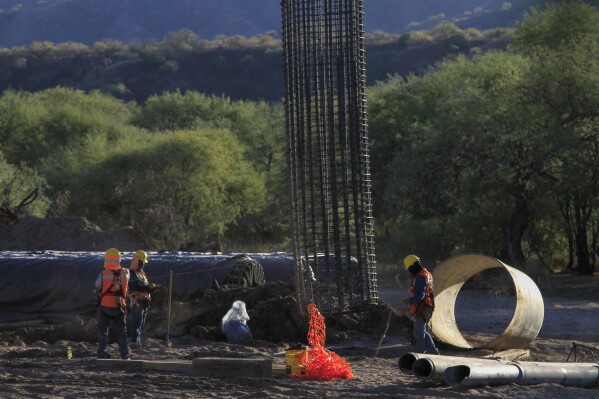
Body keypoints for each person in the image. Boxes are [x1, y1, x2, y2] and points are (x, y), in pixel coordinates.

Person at [95, 247, 130, 360]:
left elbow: (97, 285)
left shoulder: (103, 274)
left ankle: (101, 355)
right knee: (122, 333)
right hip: (120, 307)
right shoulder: (126, 272)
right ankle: (125, 355)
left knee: (103, 332)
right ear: (119, 259)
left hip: (105, 307)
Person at [402, 254, 439, 355]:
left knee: (419, 334)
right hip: (428, 308)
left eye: (409, 268)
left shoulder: (420, 277)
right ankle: (434, 353)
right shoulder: (427, 274)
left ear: (412, 266)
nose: (409, 271)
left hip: (422, 309)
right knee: (423, 332)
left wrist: (409, 301)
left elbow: (420, 295)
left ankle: (419, 355)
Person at [127, 250, 152, 346]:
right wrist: (147, 287)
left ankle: (136, 340)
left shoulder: (141, 273)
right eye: (142, 262)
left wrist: (151, 288)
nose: (143, 265)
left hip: (144, 301)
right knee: (136, 322)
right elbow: (135, 286)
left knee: (141, 323)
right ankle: (134, 341)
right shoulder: (131, 273)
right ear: (138, 262)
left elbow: (144, 285)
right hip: (136, 301)